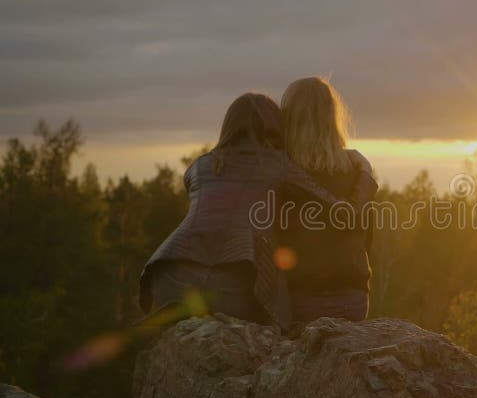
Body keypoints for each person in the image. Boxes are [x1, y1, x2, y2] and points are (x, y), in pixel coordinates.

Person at [138, 92, 377, 330]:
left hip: (168, 277)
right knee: (279, 324)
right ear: (275, 127)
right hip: (229, 286)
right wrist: (365, 170)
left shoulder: (200, 165)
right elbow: (344, 213)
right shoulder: (279, 164)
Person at [278, 77, 374, 324]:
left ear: (288, 117)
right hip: (354, 301)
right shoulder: (358, 171)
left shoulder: (279, 172)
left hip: (300, 300)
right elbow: (366, 241)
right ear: (332, 118)